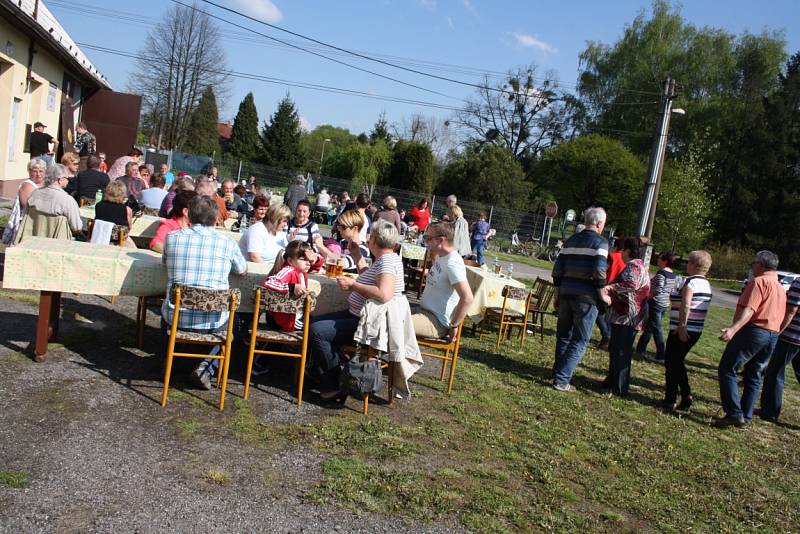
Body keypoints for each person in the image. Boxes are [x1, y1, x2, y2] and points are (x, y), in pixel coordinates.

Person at [309, 220, 405, 397]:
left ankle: (335, 383)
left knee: (317, 331)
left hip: (366, 324)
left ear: (374, 239)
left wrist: (353, 286)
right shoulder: (385, 259)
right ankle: (320, 371)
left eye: (370, 235)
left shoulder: (387, 263)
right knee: (314, 320)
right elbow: (369, 277)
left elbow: (384, 293)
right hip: (358, 316)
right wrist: (356, 255)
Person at [161, 196, 247, 390]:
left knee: (166, 308)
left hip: (177, 317)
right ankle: (206, 367)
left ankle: (169, 361)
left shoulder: (173, 238)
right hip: (213, 320)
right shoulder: (227, 243)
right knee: (237, 321)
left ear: (189, 215)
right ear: (216, 217)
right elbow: (242, 270)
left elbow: (164, 263)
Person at [715, 250, 786, 428]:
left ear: (761, 265)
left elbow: (750, 310)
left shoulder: (759, 282)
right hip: (772, 335)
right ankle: (745, 416)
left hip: (755, 332)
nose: (752, 266)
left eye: (753, 263)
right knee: (753, 374)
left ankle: (734, 413)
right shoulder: (779, 286)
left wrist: (733, 329)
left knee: (727, 369)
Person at [551, 207, 609, 392]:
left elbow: (557, 270)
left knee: (564, 336)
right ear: (599, 224)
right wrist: (603, 295)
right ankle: (561, 379)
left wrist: (557, 293)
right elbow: (599, 272)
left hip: (567, 292)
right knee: (580, 339)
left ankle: (558, 372)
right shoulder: (600, 243)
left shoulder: (570, 241)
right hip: (586, 297)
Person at [662, 250, 713, 412]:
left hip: (682, 329)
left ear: (694, 265)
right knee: (678, 362)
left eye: (688, 262)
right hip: (696, 329)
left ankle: (670, 400)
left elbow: (686, 304)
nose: (686, 265)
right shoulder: (706, 284)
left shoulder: (690, 283)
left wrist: (682, 326)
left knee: (671, 363)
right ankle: (686, 395)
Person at [600, 237, 650, 396]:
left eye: (622, 250)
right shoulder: (639, 265)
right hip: (629, 315)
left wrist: (609, 287)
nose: (620, 253)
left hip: (627, 316)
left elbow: (630, 285)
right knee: (617, 349)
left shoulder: (633, 266)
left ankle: (619, 388)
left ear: (627, 251)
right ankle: (612, 381)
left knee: (620, 351)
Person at [411, 222, 474, 339]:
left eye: (428, 238)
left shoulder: (452, 263)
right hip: (424, 311)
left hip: (436, 322)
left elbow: (468, 298)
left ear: (440, 240)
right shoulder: (440, 256)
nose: (425, 241)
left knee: (396, 323)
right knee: (389, 313)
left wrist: (454, 325)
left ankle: (395, 356)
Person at [759, 277, 800, 423]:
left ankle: (770, 411)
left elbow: (791, 310)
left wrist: (778, 331)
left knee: (775, 372)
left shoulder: (799, 281)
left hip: (791, 335)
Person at [636, 252, 679, 363]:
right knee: (650, 327)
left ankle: (661, 354)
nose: (658, 260)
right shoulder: (673, 275)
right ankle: (640, 349)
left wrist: (648, 296)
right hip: (664, 304)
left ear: (665, 261)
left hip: (656, 304)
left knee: (657, 329)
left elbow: (658, 288)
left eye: (659, 258)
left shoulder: (662, 273)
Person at [263, 241, 314, 332]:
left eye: (309, 260)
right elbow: (269, 283)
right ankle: (291, 346)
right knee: (314, 329)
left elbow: (320, 261)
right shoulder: (288, 270)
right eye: (303, 259)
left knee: (317, 323)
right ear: (290, 261)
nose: (308, 263)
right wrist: (292, 287)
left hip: (293, 316)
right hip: (283, 319)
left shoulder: (301, 271)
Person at [26, 164, 83, 235]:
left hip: (33, 237)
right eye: (67, 178)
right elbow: (77, 228)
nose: (68, 181)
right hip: (57, 242)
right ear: (60, 180)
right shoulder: (67, 200)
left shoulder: (34, 194)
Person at [2, 159, 46, 244]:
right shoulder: (27, 185)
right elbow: (27, 205)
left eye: (41, 171)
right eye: (35, 171)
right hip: (28, 221)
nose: (38, 174)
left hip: (40, 220)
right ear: (29, 172)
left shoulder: (45, 183)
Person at [94, 180, 136, 247]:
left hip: (99, 237)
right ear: (123, 194)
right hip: (119, 241)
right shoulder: (127, 210)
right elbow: (129, 228)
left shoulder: (98, 205)